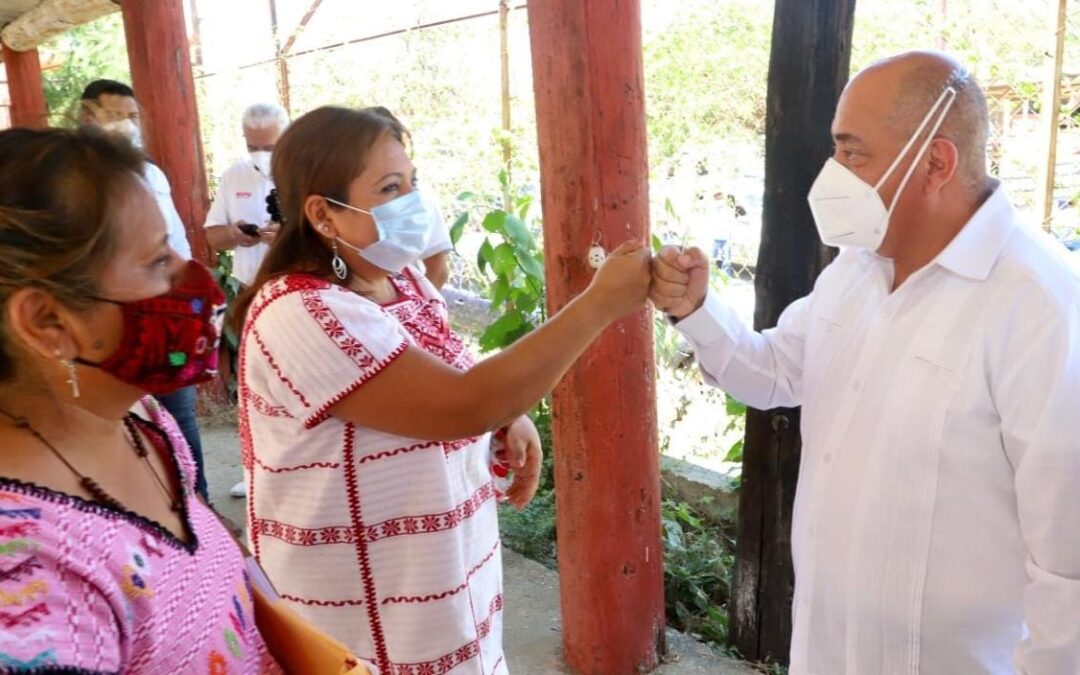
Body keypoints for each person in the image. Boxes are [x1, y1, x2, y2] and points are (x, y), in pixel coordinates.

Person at [651, 51, 1080, 673]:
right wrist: (697, 309)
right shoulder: (858, 268)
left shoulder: (1041, 308)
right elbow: (773, 371)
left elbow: (1068, 567)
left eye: (854, 153)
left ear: (936, 162)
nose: (833, 173)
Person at [232, 105, 650, 674]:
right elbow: (464, 403)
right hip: (364, 622)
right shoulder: (300, 313)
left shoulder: (399, 281)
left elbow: (451, 377)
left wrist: (507, 418)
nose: (411, 202)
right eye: (388, 187)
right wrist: (599, 305)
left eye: (412, 182)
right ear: (324, 215)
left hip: (445, 591)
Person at [0, 126, 279, 672]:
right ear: (48, 321)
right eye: (158, 263)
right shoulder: (28, 583)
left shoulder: (139, 418)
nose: (196, 282)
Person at [79, 79, 209, 503]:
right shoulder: (73, 186)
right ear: (87, 116)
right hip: (110, 324)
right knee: (117, 420)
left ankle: (196, 502)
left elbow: (177, 243)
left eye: (133, 117)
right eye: (117, 116)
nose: (128, 126)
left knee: (178, 413)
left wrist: (183, 290)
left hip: (166, 315)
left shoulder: (151, 173)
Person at [203, 102, 289, 499]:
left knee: (294, 381)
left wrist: (284, 235)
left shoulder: (307, 173)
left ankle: (294, 466)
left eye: (269, 146)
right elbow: (212, 236)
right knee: (253, 381)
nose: (261, 154)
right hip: (249, 290)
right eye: (254, 145)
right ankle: (254, 469)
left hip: (295, 290)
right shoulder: (234, 174)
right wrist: (237, 234)